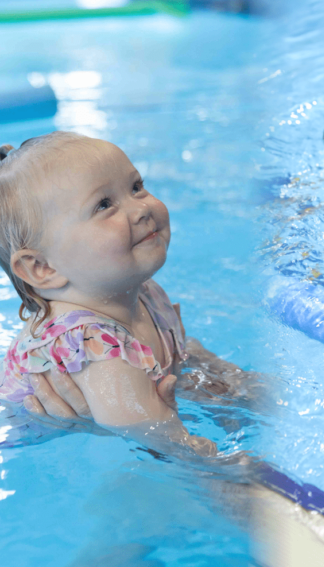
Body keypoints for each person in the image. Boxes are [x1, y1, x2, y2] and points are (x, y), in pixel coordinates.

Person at [0, 132, 218, 456]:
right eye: (104, 205)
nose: (141, 209)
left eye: (136, 187)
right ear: (42, 267)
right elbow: (155, 436)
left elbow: (181, 358)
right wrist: (217, 464)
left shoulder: (135, 290)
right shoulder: (89, 343)